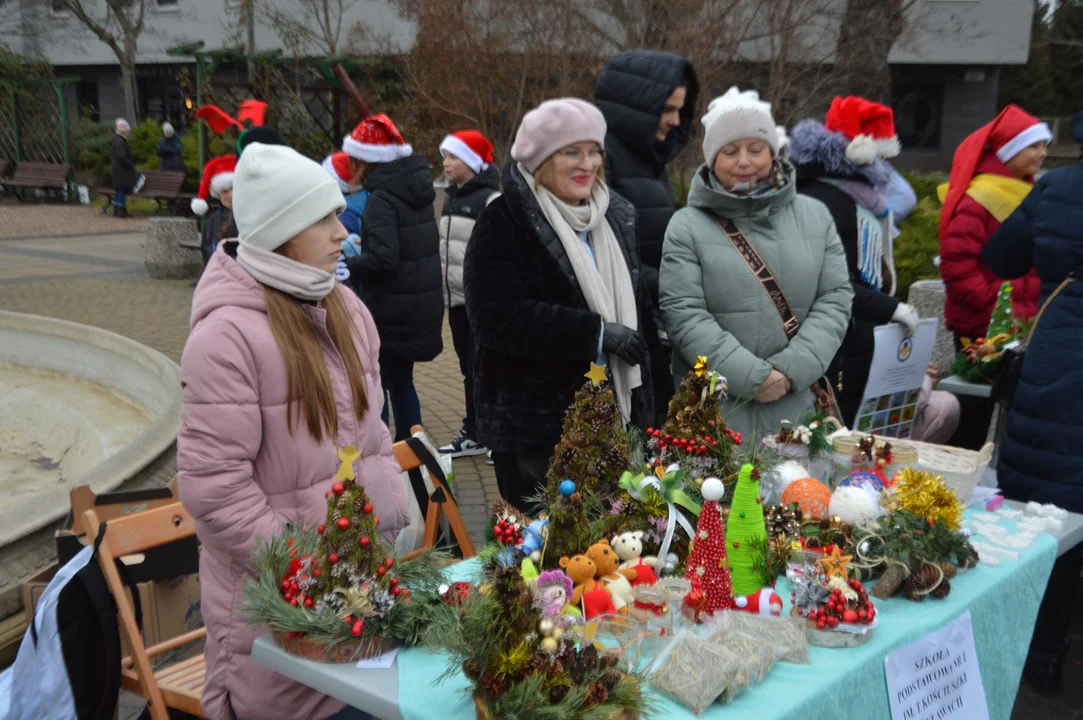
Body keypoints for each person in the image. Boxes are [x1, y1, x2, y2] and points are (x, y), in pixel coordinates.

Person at [178, 142, 409, 720]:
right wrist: (316, 573)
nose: (342, 232)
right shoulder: (224, 338)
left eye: (338, 215)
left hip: (360, 607)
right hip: (277, 628)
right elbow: (216, 494)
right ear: (282, 232)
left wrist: (381, 544)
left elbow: (373, 440)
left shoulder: (348, 310)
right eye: (324, 219)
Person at [464, 98, 659, 509]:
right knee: (546, 562)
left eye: (594, 151)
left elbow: (635, 302)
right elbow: (496, 318)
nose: (586, 163)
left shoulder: (615, 217)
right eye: (571, 152)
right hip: (537, 431)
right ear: (540, 161)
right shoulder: (503, 221)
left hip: (617, 416)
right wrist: (597, 333)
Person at [660, 87, 852, 440]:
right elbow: (683, 312)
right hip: (714, 411)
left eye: (756, 148)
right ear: (711, 159)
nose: (744, 162)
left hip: (797, 407)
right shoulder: (686, 225)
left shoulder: (815, 216)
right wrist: (751, 377)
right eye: (730, 151)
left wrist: (791, 370)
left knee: (797, 494)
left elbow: (835, 298)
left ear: (774, 152)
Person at [981, 110, 1083, 697]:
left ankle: (1037, 654)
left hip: (1059, 357)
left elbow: (1000, 256)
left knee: (1048, 511)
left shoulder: (1058, 189)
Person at [788, 96, 922, 427]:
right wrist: (890, 308)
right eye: (878, 155)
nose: (883, 166)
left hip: (853, 338)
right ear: (857, 152)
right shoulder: (829, 200)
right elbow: (832, 282)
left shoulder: (857, 197)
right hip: (833, 343)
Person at [594, 51, 699, 424]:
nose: (674, 121)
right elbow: (609, 256)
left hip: (647, 326)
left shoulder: (648, 162)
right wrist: (678, 285)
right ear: (637, 105)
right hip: (618, 337)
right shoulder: (604, 161)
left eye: (679, 110)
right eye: (666, 109)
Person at [938, 105, 1051, 449]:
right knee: (974, 418)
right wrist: (997, 308)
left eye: (1044, 145)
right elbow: (957, 265)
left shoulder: (1027, 193)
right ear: (1011, 148)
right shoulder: (979, 198)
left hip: (1017, 324)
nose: (1042, 154)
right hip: (982, 327)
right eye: (1034, 146)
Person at [341, 114, 443, 441]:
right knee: (402, 383)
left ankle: (383, 454)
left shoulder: (382, 198)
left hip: (389, 309)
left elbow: (385, 259)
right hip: (415, 305)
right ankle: (414, 450)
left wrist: (351, 261)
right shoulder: (413, 189)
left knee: (379, 385)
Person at [436, 130, 500, 459]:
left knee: (487, 368)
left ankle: (495, 435)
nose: (445, 164)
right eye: (445, 156)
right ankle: (474, 432)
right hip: (457, 302)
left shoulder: (491, 200)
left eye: (453, 157)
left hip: (482, 303)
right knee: (467, 369)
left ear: (473, 162)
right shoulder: (451, 198)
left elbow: (497, 254)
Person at [190, 155, 238, 267]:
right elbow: (206, 250)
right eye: (224, 191)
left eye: (234, 189)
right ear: (218, 194)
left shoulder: (254, 218)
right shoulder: (212, 221)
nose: (230, 195)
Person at [109, 118, 137, 218]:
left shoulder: (116, 140)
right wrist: (130, 164)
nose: (128, 131)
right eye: (127, 129)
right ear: (123, 130)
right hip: (122, 171)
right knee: (121, 191)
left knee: (119, 191)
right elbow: (121, 156)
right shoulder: (120, 142)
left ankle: (117, 210)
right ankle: (121, 212)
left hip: (118, 170)